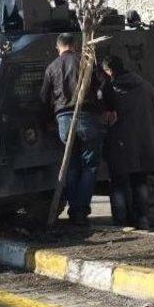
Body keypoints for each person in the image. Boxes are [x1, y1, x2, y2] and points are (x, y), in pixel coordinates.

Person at [40, 33, 109, 226]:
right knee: (90, 165)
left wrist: (47, 121)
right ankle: (80, 209)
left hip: (63, 120)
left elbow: (44, 98)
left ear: (58, 47)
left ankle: (74, 207)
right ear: (76, 45)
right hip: (87, 117)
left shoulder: (51, 67)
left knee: (71, 167)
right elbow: (102, 85)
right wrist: (105, 109)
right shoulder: (86, 62)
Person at [102, 55, 154, 230]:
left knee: (119, 184)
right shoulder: (146, 86)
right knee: (140, 182)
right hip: (145, 142)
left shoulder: (111, 89)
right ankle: (142, 219)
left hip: (120, 143)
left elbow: (107, 117)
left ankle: (121, 222)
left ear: (109, 71)